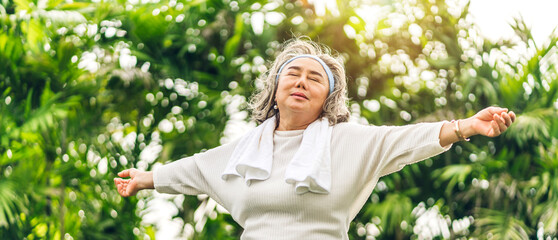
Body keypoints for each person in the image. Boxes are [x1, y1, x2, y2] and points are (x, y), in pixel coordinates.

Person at [114, 38, 516, 239]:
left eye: (314, 78)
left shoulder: (349, 142)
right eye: (293, 74)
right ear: (275, 87)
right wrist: (145, 177)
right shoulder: (242, 152)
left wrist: (467, 126)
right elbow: (197, 169)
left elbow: (408, 139)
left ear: (329, 97)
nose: (302, 82)